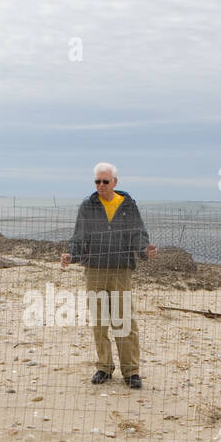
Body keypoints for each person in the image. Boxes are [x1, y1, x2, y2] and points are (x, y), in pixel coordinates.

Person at [60, 162, 157, 388]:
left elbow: (138, 234)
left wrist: (145, 251)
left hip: (121, 270)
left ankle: (131, 372)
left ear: (115, 182)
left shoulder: (128, 205)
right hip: (94, 270)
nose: (101, 185)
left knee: (124, 321)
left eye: (105, 181)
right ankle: (104, 367)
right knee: (100, 322)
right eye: (97, 181)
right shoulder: (88, 206)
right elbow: (79, 237)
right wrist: (71, 256)